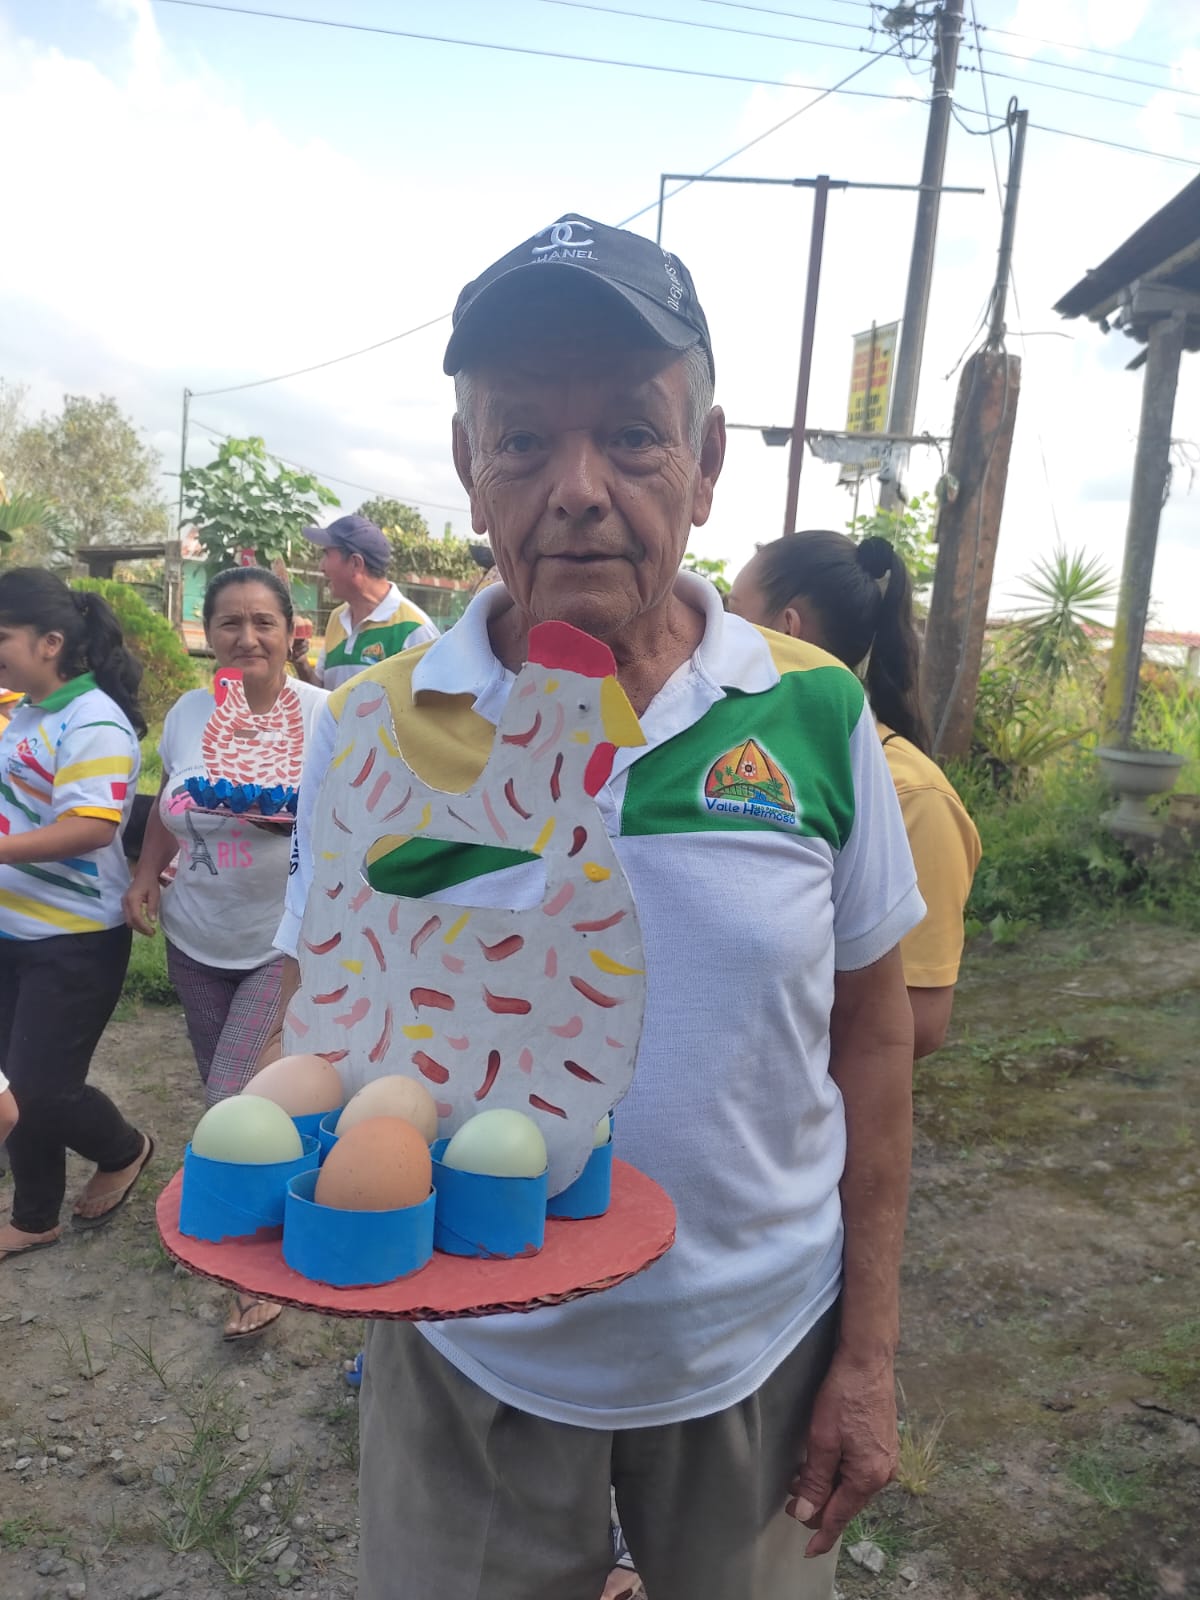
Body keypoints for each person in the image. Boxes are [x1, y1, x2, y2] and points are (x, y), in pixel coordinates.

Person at [272, 214, 924, 1600]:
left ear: (707, 461)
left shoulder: (812, 710)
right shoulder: (375, 727)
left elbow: (876, 1036)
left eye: (632, 434)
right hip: (469, 1349)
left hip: (753, 1351)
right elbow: (324, 1008)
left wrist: (867, 1356)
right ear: (469, 470)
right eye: (522, 440)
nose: (577, 490)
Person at [122, 566, 327, 1338]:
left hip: (281, 939)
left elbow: (355, 819)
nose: (247, 638)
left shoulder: (323, 716)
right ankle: (274, 1205)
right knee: (228, 1085)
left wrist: (294, 823)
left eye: (262, 622)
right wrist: (145, 875)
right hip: (196, 934)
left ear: (290, 632)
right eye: (230, 623)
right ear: (208, 635)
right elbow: (167, 802)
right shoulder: (188, 713)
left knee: (235, 1098)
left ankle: (252, 1263)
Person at [728, 532, 982, 1058]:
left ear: (787, 630)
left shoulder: (915, 796)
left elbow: (921, 1019)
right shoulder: (744, 767)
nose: (710, 635)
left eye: (732, 615)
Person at [0, 570, 153, 1264]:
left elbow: (92, 826)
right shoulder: (29, 711)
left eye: (2, 638)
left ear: (50, 642)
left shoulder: (92, 719)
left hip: (73, 939)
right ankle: (34, 1216)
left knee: (41, 1088)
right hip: (13, 930)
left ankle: (124, 1149)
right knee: (13, 1083)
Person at [290, 514, 439, 689]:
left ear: (355, 563)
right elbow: (322, 692)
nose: (321, 567)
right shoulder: (337, 618)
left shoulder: (414, 629)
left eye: (327, 555)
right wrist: (300, 661)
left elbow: (434, 701)